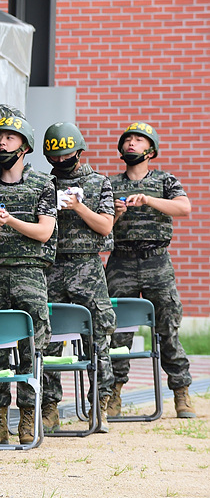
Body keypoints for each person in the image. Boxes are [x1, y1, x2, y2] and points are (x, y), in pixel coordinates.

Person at [106, 121, 195, 419]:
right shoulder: (110, 184)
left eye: (139, 140)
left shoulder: (165, 181)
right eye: (128, 139)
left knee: (168, 329)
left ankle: (181, 393)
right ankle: (115, 393)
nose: (132, 143)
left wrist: (147, 200)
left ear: (151, 150)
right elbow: (102, 228)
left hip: (157, 261)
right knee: (118, 330)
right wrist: (116, 214)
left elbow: (184, 208)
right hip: (121, 261)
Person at [0, 115, 56, 446]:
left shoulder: (42, 184)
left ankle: (27, 419)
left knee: (32, 348)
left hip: (30, 272)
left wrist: (10, 220)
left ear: (24, 146)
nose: (1, 144)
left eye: (9, 138)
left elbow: (44, 231)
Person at [41, 122, 116, 432]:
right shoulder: (43, 184)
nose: (61, 162)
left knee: (98, 337)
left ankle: (100, 403)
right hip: (51, 266)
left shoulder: (100, 182)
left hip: (88, 267)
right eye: (54, 157)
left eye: (66, 155)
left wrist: (78, 206)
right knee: (47, 340)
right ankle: (48, 407)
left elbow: (105, 226)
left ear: (80, 151)